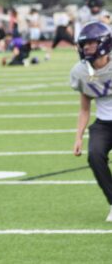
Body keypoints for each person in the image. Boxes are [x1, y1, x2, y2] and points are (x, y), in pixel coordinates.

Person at [70, 22, 112, 223]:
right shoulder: (81, 72)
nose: (86, 48)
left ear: (104, 44)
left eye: (91, 44)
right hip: (103, 124)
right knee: (95, 155)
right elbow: (85, 108)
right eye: (84, 45)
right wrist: (78, 137)